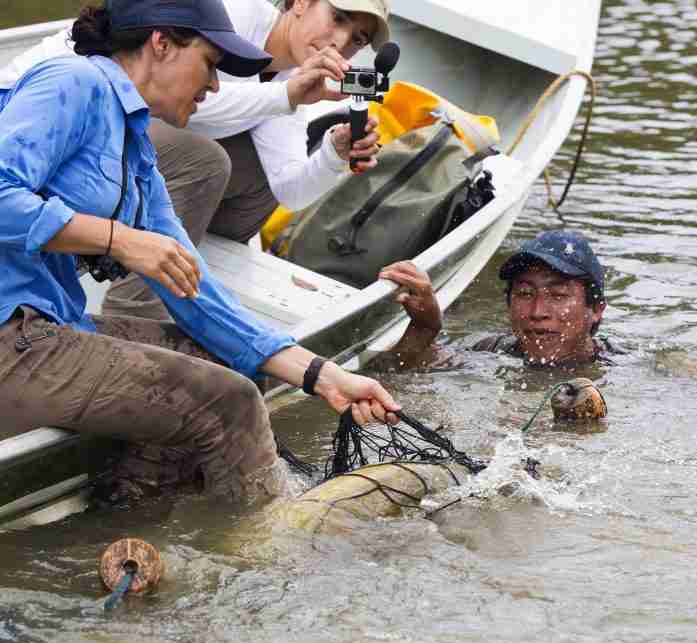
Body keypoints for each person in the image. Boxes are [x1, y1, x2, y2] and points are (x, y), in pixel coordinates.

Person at [0, 0, 399, 506]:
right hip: (11, 336)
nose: (213, 87)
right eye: (211, 65)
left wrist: (323, 375)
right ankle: (266, 546)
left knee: (220, 362)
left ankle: (124, 510)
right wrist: (117, 239)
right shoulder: (72, 83)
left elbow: (197, 292)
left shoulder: (137, 151)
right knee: (229, 403)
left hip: (48, 329)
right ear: (161, 44)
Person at [0, 0, 389, 319]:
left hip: (119, 134)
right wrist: (286, 96)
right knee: (205, 159)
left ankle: (186, 269)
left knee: (254, 173)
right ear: (301, 2)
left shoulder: (287, 76)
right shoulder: (230, 9)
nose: (339, 41)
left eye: (357, 39)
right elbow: (171, 99)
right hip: (23, 108)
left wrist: (333, 155)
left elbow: (288, 189)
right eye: (337, 18)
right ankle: (132, 314)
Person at [378, 230, 615, 369]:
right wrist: (424, 328)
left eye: (558, 295)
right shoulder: (490, 352)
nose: (537, 312)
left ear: (596, 309)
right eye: (524, 293)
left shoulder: (621, 369)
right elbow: (396, 370)